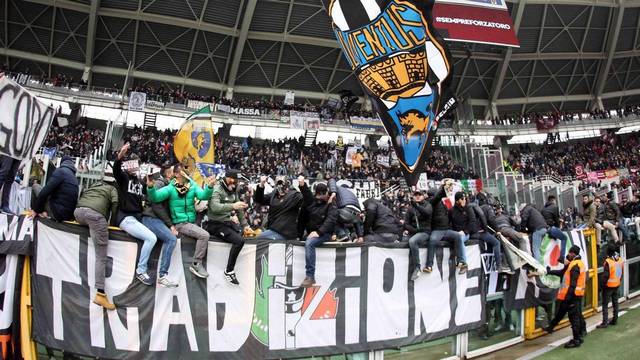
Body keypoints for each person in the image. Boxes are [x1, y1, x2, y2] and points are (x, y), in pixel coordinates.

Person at [146, 164, 215, 280]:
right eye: (183, 171)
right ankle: (196, 264)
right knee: (204, 235)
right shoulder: (171, 187)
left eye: (187, 171)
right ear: (176, 174)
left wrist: (210, 187)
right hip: (180, 223)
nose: (186, 173)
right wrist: (151, 188)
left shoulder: (192, 185)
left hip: (191, 223)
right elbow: (155, 198)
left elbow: (203, 196)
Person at [113, 143, 161, 286]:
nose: (135, 167)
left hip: (137, 218)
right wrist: (120, 155)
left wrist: (150, 185)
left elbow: (150, 196)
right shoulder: (123, 178)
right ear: (127, 166)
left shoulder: (140, 182)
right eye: (132, 164)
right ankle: (141, 270)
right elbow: (116, 169)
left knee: (157, 235)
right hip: (125, 217)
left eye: (137, 165)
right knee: (151, 238)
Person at [74, 167, 118, 310]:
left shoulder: (93, 185)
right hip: (96, 216)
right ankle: (100, 293)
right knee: (101, 257)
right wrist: (112, 224)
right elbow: (115, 206)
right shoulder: (112, 190)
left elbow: (82, 196)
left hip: (78, 213)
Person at [207, 169, 251, 284]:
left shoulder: (234, 188)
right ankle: (229, 271)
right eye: (233, 180)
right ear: (227, 178)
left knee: (243, 233)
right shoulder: (217, 188)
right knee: (239, 241)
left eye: (236, 181)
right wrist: (232, 206)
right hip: (215, 223)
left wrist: (245, 225)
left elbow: (239, 208)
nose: (235, 182)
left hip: (227, 221)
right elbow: (215, 207)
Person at [139, 163, 179, 288]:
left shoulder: (169, 185)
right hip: (151, 218)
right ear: (169, 173)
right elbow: (155, 204)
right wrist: (170, 225)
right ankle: (162, 275)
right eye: (176, 173)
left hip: (156, 219)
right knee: (171, 239)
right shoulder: (160, 183)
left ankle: (161, 275)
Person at [545, 245, 587, 348]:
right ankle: (551, 327)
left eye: (569, 253)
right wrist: (549, 271)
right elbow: (562, 273)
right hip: (572, 295)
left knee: (574, 318)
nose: (568, 255)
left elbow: (572, 284)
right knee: (563, 313)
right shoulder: (575, 264)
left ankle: (577, 339)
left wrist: (568, 299)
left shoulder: (574, 265)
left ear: (573, 253)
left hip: (571, 296)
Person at [299, 178, 337, 287]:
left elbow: (331, 220)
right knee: (305, 240)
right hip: (313, 232)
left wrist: (319, 232)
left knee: (309, 243)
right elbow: (306, 194)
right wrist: (302, 185)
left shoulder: (331, 203)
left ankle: (310, 276)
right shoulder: (312, 202)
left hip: (324, 233)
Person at [428, 181, 468, 274]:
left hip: (446, 229)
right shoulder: (432, 202)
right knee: (432, 241)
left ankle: (461, 261)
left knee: (458, 236)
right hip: (437, 230)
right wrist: (443, 187)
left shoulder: (442, 202)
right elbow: (439, 196)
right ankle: (429, 265)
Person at [30, 155, 79, 221]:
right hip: (68, 215)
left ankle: (36, 212)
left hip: (56, 213)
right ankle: (44, 212)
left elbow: (44, 192)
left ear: (62, 162)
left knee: (35, 186)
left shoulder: (60, 171)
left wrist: (36, 209)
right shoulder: (74, 178)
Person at [254, 176, 303, 240]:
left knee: (262, 238)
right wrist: (261, 185)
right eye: (278, 184)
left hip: (286, 232)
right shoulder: (274, 194)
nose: (280, 186)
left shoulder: (294, 195)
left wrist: (303, 186)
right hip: (273, 229)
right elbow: (259, 200)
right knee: (258, 238)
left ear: (287, 184)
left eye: (281, 184)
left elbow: (307, 201)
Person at [328, 178, 363, 242]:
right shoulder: (351, 194)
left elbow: (331, 180)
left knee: (332, 215)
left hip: (346, 210)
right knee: (347, 221)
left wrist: (333, 193)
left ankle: (342, 235)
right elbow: (356, 220)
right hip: (356, 213)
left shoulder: (337, 188)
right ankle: (354, 237)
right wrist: (360, 236)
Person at [597, 245, 623, 328]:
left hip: (609, 286)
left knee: (605, 304)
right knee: (615, 303)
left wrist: (600, 287)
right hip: (617, 284)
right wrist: (618, 281)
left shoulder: (608, 261)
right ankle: (615, 319)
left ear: (608, 252)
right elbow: (620, 272)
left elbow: (605, 276)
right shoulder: (619, 259)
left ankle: (605, 322)